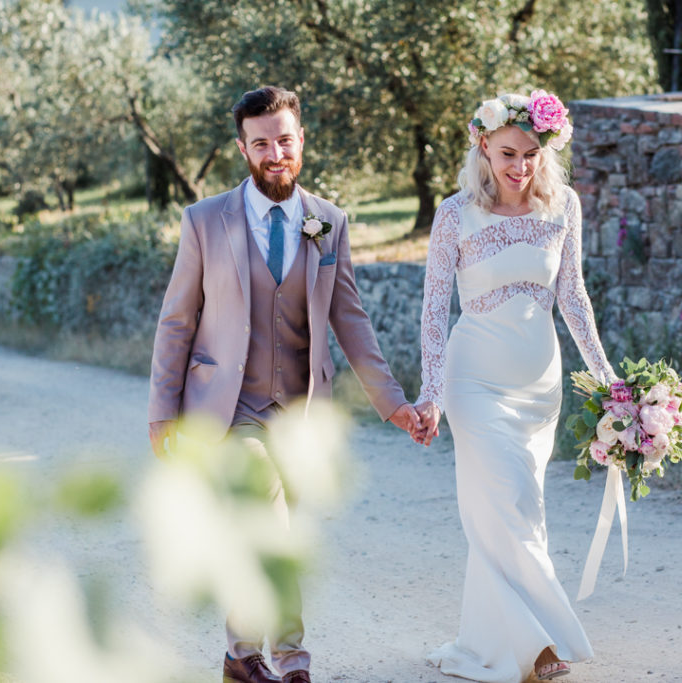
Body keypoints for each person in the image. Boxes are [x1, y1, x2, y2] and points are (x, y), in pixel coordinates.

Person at [147, 85, 421, 683]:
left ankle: (239, 658)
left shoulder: (329, 221)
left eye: (285, 140)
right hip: (229, 407)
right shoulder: (204, 220)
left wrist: (393, 403)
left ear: (302, 140)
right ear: (242, 148)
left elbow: (350, 319)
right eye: (262, 143)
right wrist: (161, 410)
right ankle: (293, 663)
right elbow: (177, 320)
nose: (276, 153)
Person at [412, 90, 617, 682]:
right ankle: (544, 643)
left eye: (531, 154)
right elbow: (433, 311)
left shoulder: (564, 207)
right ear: (483, 145)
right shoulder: (454, 213)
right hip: (473, 382)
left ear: (545, 153)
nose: (519, 166)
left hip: (539, 386)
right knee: (501, 502)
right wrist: (431, 394)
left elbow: (573, 299)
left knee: (519, 510)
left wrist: (608, 383)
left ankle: (499, 642)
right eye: (507, 153)